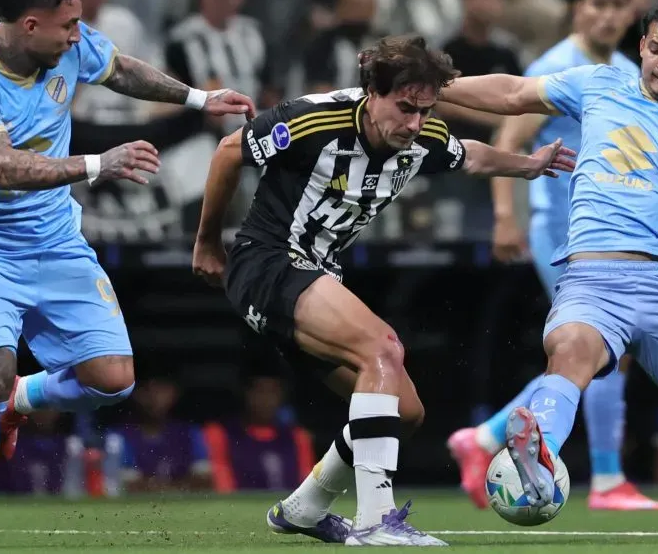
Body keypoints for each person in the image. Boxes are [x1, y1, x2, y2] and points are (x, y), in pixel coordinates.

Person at [439, 0, 658, 541]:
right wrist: (431, 86)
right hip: (592, 276)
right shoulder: (599, 84)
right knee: (570, 354)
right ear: (641, 47)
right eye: (655, 48)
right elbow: (513, 93)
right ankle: (537, 453)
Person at [192, 34, 573, 546]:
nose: (414, 123)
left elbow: (473, 156)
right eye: (405, 108)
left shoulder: (421, 138)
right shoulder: (312, 119)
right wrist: (206, 243)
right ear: (372, 91)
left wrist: (529, 165)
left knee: (404, 412)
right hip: (269, 262)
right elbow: (226, 150)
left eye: (425, 109)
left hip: (318, 274)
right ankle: (377, 521)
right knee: (383, 348)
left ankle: (303, 509)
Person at [0, 0, 254, 550]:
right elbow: (1, 168)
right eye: (68, 26)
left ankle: (21, 398)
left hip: (56, 240)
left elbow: (120, 69)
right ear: (30, 25)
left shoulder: (67, 46)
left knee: (113, 382)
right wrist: (100, 163)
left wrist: (199, 98)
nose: (79, 36)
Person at [448, 0, 658, 512]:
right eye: (599, 4)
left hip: (608, 233)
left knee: (597, 350)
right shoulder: (557, 66)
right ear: (579, 9)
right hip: (557, 226)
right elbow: (511, 134)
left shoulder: (624, 69)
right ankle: (609, 478)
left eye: (619, 5)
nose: (609, 15)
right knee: (601, 344)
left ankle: (483, 438)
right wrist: (505, 216)